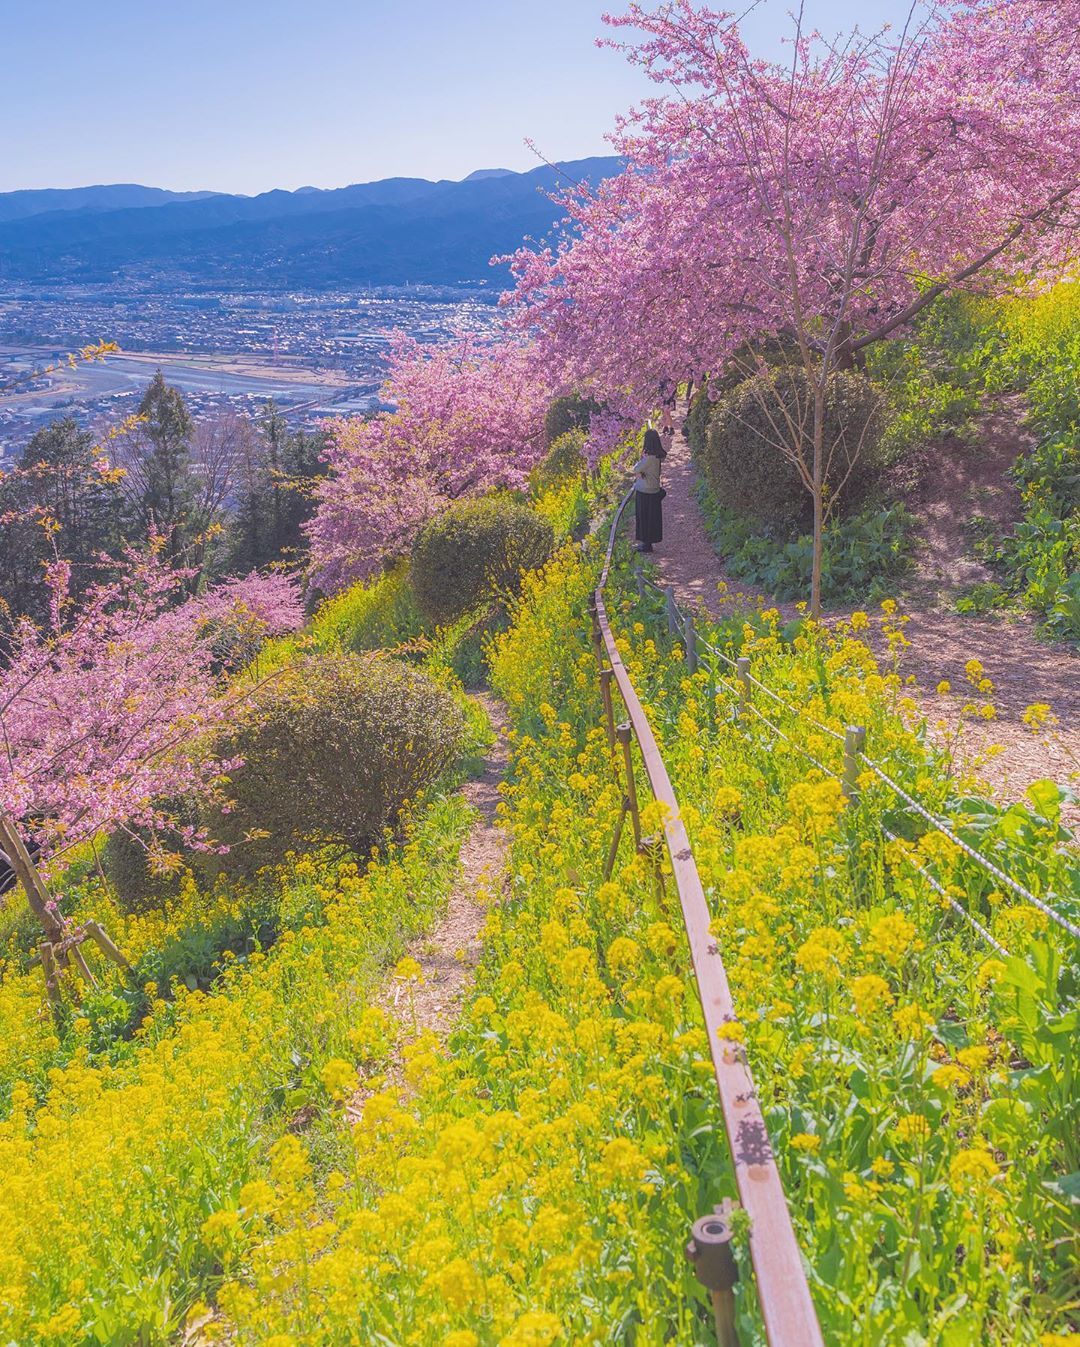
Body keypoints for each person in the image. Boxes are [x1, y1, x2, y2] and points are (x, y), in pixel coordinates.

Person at [633, 427, 667, 553]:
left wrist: (640, 467)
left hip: (645, 491)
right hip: (654, 490)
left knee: (643, 518)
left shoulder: (649, 459)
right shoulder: (658, 457)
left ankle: (645, 544)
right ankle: (648, 543)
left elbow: (636, 469)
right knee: (652, 519)